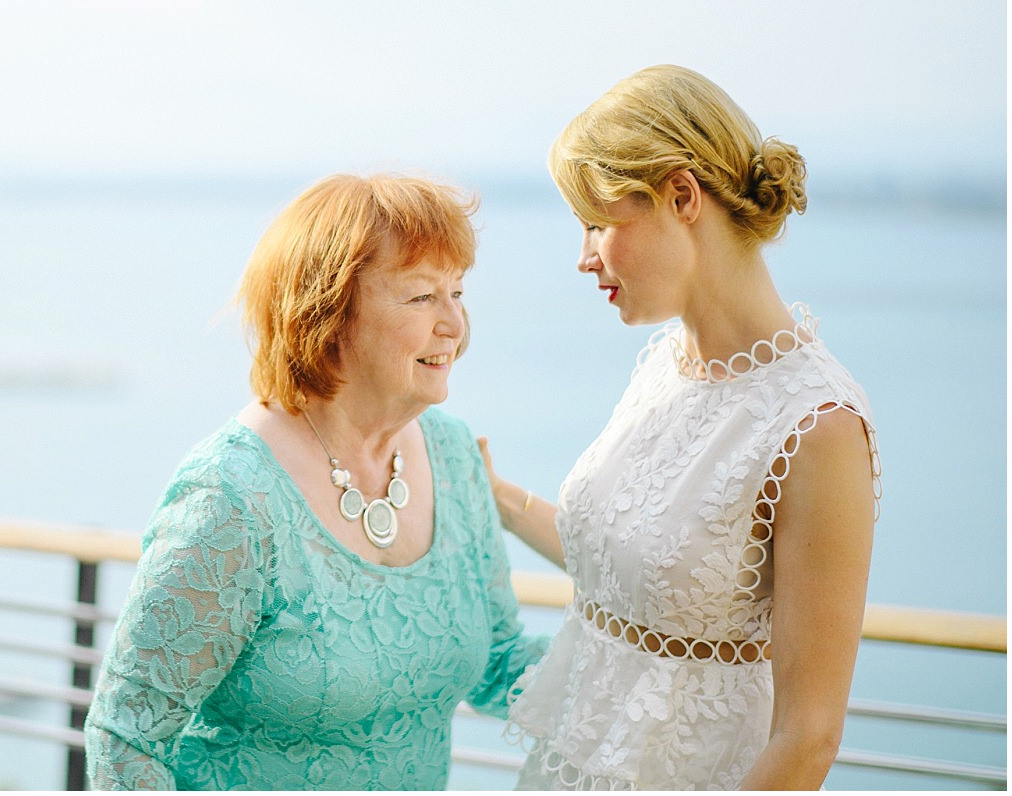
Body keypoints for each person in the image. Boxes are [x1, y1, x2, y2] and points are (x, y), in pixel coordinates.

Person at [481, 64, 881, 789]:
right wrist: (497, 497)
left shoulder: (819, 427)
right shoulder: (661, 366)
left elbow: (808, 739)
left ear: (681, 195)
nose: (583, 257)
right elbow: (634, 568)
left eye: (598, 222)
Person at [84, 173, 548, 790]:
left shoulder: (454, 454)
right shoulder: (232, 496)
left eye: (457, 292)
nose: (455, 326)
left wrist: (675, 658)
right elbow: (126, 740)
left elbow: (496, 663)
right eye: (420, 298)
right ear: (329, 314)